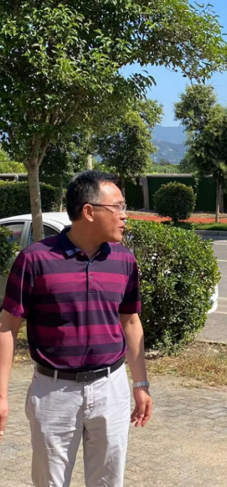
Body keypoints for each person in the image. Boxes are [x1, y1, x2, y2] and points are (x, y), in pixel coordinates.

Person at [0, 170, 152, 487]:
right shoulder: (34, 260)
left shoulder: (124, 259)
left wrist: (140, 383)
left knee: (108, 481)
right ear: (89, 211)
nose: (125, 215)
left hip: (110, 387)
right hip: (53, 391)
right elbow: (7, 327)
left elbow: (130, 320)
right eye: (118, 207)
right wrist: (1, 394)